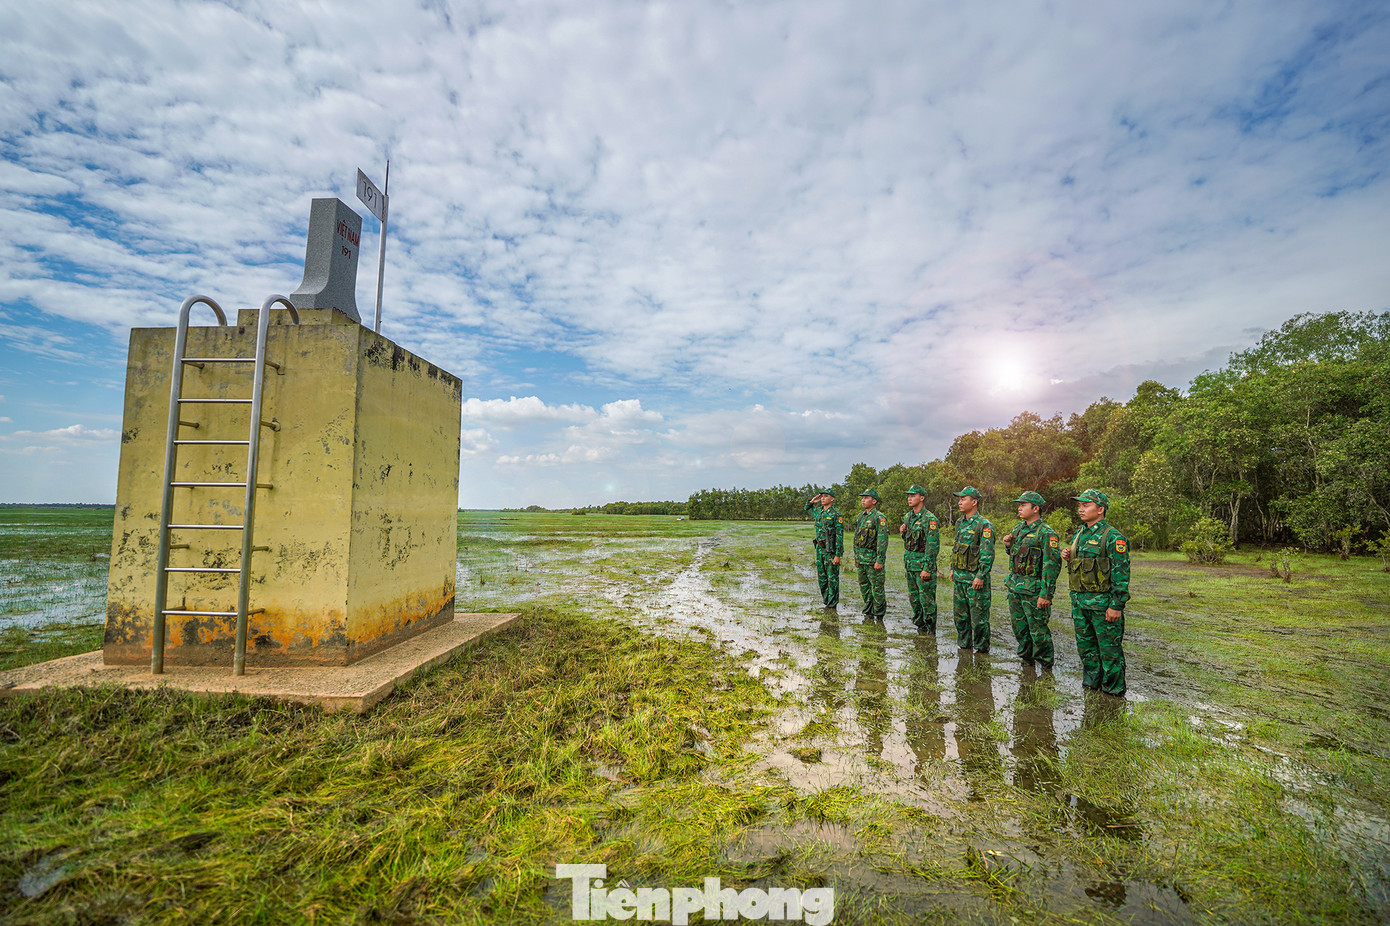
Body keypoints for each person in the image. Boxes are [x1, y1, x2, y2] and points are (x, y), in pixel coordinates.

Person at [1060, 489, 1131, 696]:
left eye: (1086, 505)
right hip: (1081, 604)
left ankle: (1113, 692)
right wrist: (1068, 554)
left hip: (1102, 606)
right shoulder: (1080, 534)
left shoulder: (1113, 537)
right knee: (1086, 649)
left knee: (1109, 651)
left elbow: (1121, 574)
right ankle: (1091, 686)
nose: (1081, 509)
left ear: (1100, 509)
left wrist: (1116, 605)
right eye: (1080, 505)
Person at [1001, 491, 1062, 668]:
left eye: (1023, 505)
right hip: (1015, 587)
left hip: (1033, 591)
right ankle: (1026, 662)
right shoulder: (1018, 529)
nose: (1019, 508)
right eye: (1018, 505)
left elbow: (1051, 565)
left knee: (1038, 630)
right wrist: (1008, 546)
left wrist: (1046, 594)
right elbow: (1017, 556)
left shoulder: (1046, 533)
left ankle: (1045, 665)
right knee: (1019, 628)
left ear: (1035, 508)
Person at [950, 486, 995, 652]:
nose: (960, 502)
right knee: (960, 617)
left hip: (975, 579)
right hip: (960, 577)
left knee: (979, 618)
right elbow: (957, 547)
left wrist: (981, 575)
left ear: (974, 502)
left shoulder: (984, 525)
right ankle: (964, 646)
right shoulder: (960, 522)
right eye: (959, 499)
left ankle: (982, 650)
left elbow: (987, 552)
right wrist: (953, 568)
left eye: (963, 499)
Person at [898, 484, 940, 632]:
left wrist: (927, 568)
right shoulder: (908, 516)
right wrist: (903, 533)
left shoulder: (930, 519)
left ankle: (930, 629)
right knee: (914, 599)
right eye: (908, 496)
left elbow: (932, 546)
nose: (909, 498)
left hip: (922, 566)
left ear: (921, 498)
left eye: (913, 495)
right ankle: (920, 627)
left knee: (926, 600)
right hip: (910, 565)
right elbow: (910, 541)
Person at [803, 489, 844, 608]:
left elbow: (839, 535)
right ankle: (826, 601)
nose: (823, 498)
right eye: (822, 496)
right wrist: (812, 501)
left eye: (826, 496)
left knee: (832, 578)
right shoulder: (818, 512)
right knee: (822, 578)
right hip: (819, 550)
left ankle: (832, 603)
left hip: (830, 550)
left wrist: (838, 555)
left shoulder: (836, 514)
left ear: (832, 499)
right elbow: (807, 508)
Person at [853, 488, 889, 620]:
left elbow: (882, 540)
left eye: (866, 498)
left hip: (873, 560)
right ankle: (868, 611)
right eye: (862, 498)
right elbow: (856, 539)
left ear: (874, 501)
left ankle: (879, 614)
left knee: (877, 588)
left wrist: (880, 560)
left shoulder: (879, 517)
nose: (863, 500)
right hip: (862, 559)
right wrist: (856, 557)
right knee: (864, 587)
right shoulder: (860, 517)